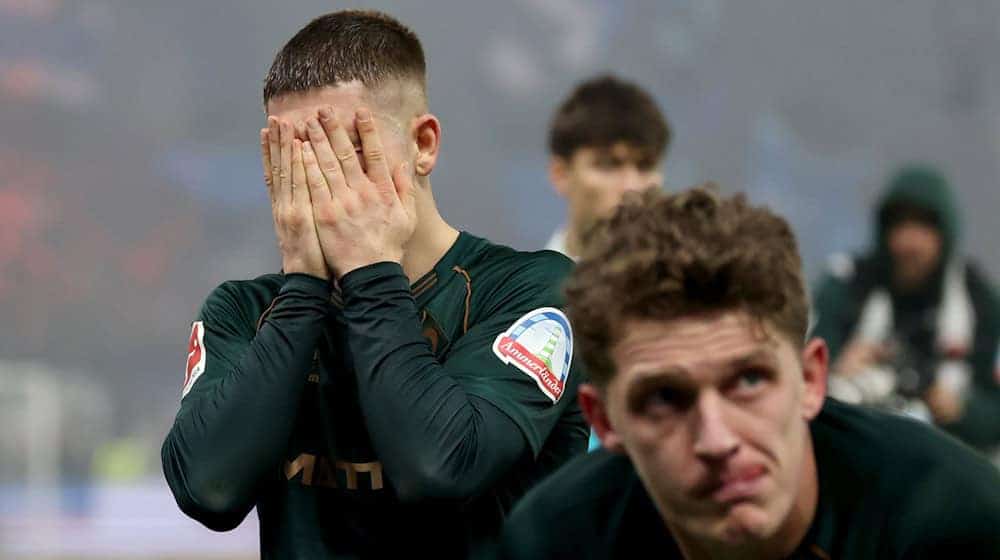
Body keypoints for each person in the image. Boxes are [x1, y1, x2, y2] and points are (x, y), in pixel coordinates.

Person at [160, 10, 587, 558]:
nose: (318, 181)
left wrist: (370, 273)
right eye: (294, 156)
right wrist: (303, 289)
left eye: (341, 150)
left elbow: (439, 468)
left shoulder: (532, 291)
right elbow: (208, 492)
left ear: (423, 145)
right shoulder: (244, 310)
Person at [499, 186, 1000, 559]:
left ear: (811, 382)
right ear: (606, 422)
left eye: (749, 381)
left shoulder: (954, 524)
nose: (717, 441)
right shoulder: (552, 542)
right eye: (665, 398)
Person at [812, 165, 1000, 453]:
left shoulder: (978, 300)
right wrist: (835, 370)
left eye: (923, 227)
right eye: (899, 225)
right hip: (856, 448)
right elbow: (795, 384)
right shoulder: (847, 285)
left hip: (949, 459)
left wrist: (960, 410)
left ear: (945, 233)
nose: (909, 242)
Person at [545, 74, 671, 259]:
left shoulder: (695, 284)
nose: (632, 187)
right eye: (608, 165)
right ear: (561, 175)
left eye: (645, 166)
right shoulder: (523, 286)